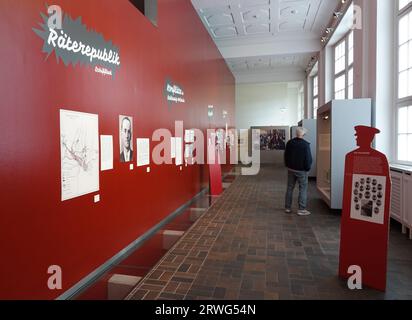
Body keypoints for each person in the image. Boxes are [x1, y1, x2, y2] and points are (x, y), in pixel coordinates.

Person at [284, 127, 313, 216]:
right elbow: (308, 158)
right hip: (302, 170)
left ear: (296, 133)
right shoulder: (305, 145)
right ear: (303, 134)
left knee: (290, 188)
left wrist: (287, 165)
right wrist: (307, 168)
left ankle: (287, 208)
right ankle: (301, 209)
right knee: (303, 189)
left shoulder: (289, 143)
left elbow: (286, 155)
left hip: (291, 169)